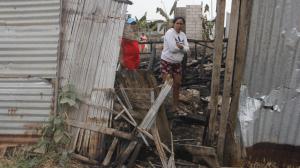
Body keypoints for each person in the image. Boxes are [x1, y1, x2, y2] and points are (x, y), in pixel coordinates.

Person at [160, 17, 189, 112]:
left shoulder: (183, 35)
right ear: (174, 24)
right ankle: (162, 106)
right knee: (167, 85)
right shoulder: (169, 33)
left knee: (177, 84)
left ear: (183, 25)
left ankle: (174, 106)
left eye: (181, 24)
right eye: (177, 23)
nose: (179, 25)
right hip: (167, 61)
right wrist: (182, 47)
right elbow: (172, 48)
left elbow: (187, 49)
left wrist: (180, 46)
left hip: (177, 63)